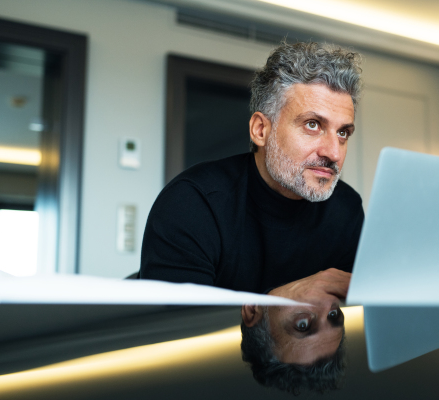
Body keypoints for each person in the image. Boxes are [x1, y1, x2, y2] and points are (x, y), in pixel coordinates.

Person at [139, 41, 365, 293]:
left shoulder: (347, 209)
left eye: (343, 132)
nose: (334, 152)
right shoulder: (192, 203)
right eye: (312, 125)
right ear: (260, 130)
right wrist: (280, 302)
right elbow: (179, 328)